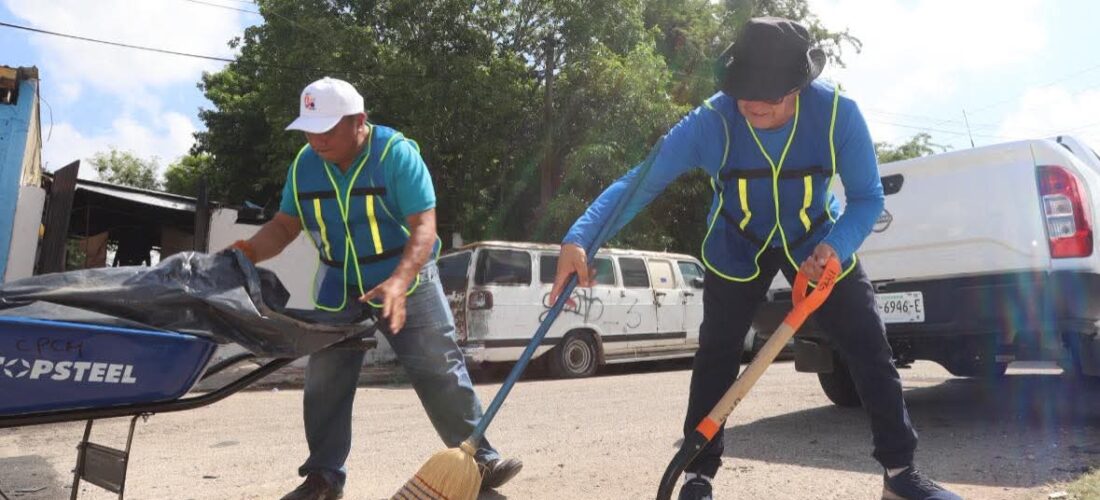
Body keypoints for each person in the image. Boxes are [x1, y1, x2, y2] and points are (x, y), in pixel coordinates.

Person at [549, 17, 961, 500]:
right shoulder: (713, 120)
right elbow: (642, 181)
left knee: (868, 344)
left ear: (799, 86)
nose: (753, 103)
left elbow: (867, 198)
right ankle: (699, 474)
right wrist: (580, 238)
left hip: (816, 242)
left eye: (768, 93)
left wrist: (836, 248)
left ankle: (900, 473)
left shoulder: (837, 115)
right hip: (736, 243)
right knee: (717, 355)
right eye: (745, 89)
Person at [230, 77, 522, 500]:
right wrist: (242, 254)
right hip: (338, 283)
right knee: (326, 376)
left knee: (438, 368)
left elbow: (424, 228)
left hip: (408, 276)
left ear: (359, 122)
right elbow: (284, 226)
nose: (317, 139)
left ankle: (478, 466)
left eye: (327, 129)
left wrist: (401, 280)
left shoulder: (395, 155)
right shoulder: (305, 164)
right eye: (310, 129)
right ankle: (324, 479)